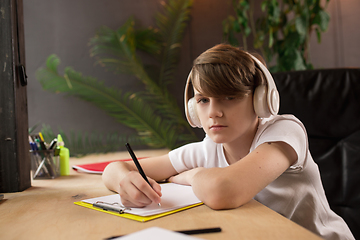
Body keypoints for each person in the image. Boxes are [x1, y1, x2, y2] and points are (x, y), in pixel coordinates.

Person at [102, 44, 354, 240]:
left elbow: (224, 191)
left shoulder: (285, 132)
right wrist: (125, 181)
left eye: (229, 97)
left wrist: (191, 176)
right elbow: (114, 169)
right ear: (192, 108)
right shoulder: (207, 149)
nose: (213, 112)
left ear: (260, 100)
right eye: (203, 100)